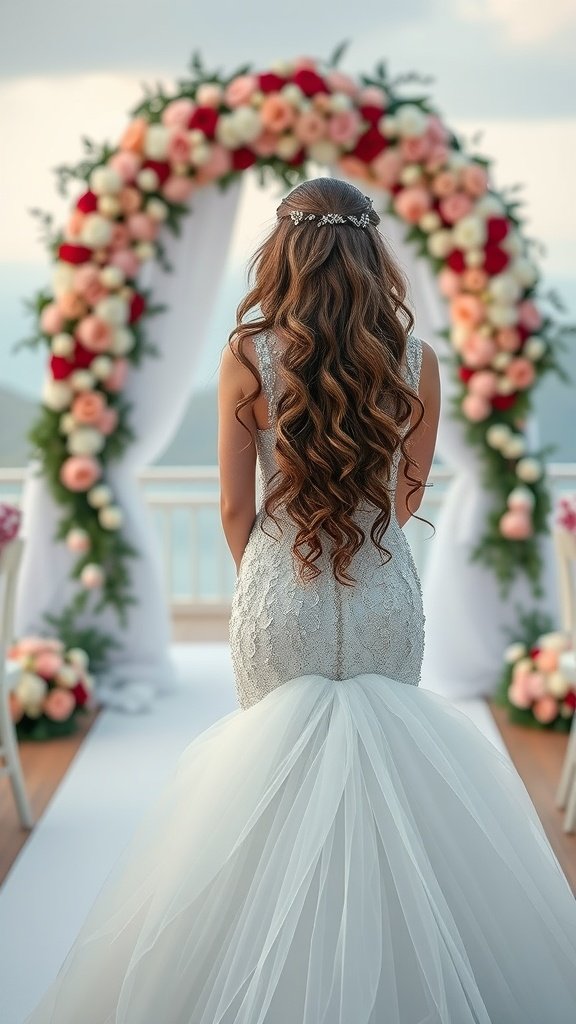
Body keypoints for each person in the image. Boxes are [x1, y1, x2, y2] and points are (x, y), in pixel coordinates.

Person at [26, 177, 576, 1023]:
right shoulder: (417, 361)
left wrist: (276, 571)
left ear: (284, 252)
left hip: (283, 587)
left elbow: (234, 507)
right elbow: (407, 490)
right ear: (371, 251)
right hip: (385, 588)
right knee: (394, 788)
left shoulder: (248, 354)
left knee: (270, 787)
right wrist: (362, 549)